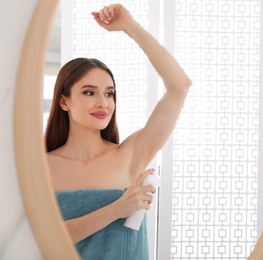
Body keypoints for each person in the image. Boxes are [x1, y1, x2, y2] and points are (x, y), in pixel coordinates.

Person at [45, 3, 191, 259]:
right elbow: (45, 238)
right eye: (89, 92)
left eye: (109, 93)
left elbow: (179, 85)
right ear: (64, 101)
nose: (103, 102)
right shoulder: (42, 167)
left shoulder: (132, 153)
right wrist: (118, 208)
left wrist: (129, 26)